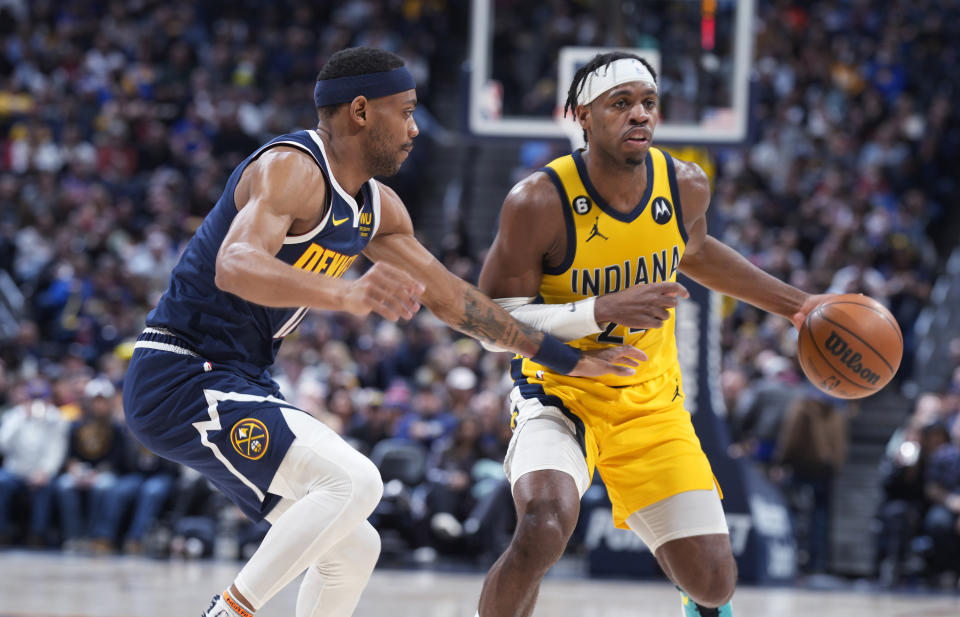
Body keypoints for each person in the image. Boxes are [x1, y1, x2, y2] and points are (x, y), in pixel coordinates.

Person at [122, 47, 641, 617]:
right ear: (362, 111)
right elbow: (235, 264)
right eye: (408, 111)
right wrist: (346, 293)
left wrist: (561, 355)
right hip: (180, 371)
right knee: (355, 482)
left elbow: (455, 301)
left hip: (240, 377)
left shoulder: (377, 208)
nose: (416, 129)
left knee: (354, 545)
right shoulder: (292, 168)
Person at [475, 52, 829, 617]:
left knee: (715, 583)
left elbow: (695, 252)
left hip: (650, 402)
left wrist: (799, 305)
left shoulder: (683, 183)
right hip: (558, 394)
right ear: (582, 117)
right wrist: (597, 310)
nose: (639, 115)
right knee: (544, 523)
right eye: (621, 104)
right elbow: (490, 321)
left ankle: (698, 596)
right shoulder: (538, 201)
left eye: (648, 103)